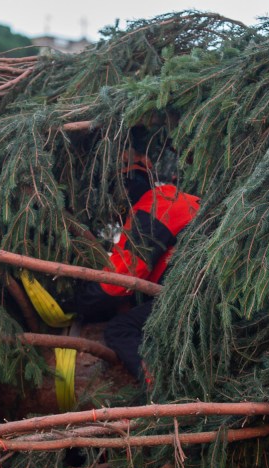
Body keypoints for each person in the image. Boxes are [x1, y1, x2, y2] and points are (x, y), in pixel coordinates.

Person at [74, 127, 201, 384]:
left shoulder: (157, 203)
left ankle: (159, 390)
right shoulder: (178, 199)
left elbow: (119, 282)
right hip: (193, 289)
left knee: (122, 329)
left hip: (192, 295)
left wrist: (73, 305)